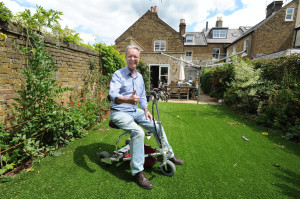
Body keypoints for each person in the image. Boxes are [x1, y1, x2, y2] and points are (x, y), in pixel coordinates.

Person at [109, 45, 183, 190]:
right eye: (130, 56)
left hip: (135, 110)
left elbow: (142, 96)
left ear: (139, 59)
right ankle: (137, 172)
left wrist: (146, 110)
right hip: (119, 111)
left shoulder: (140, 76)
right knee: (138, 132)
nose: (133, 59)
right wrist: (127, 99)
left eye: (135, 57)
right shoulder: (118, 74)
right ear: (125, 58)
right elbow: (113, 96)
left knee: (157, 125)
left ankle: (168, 155)